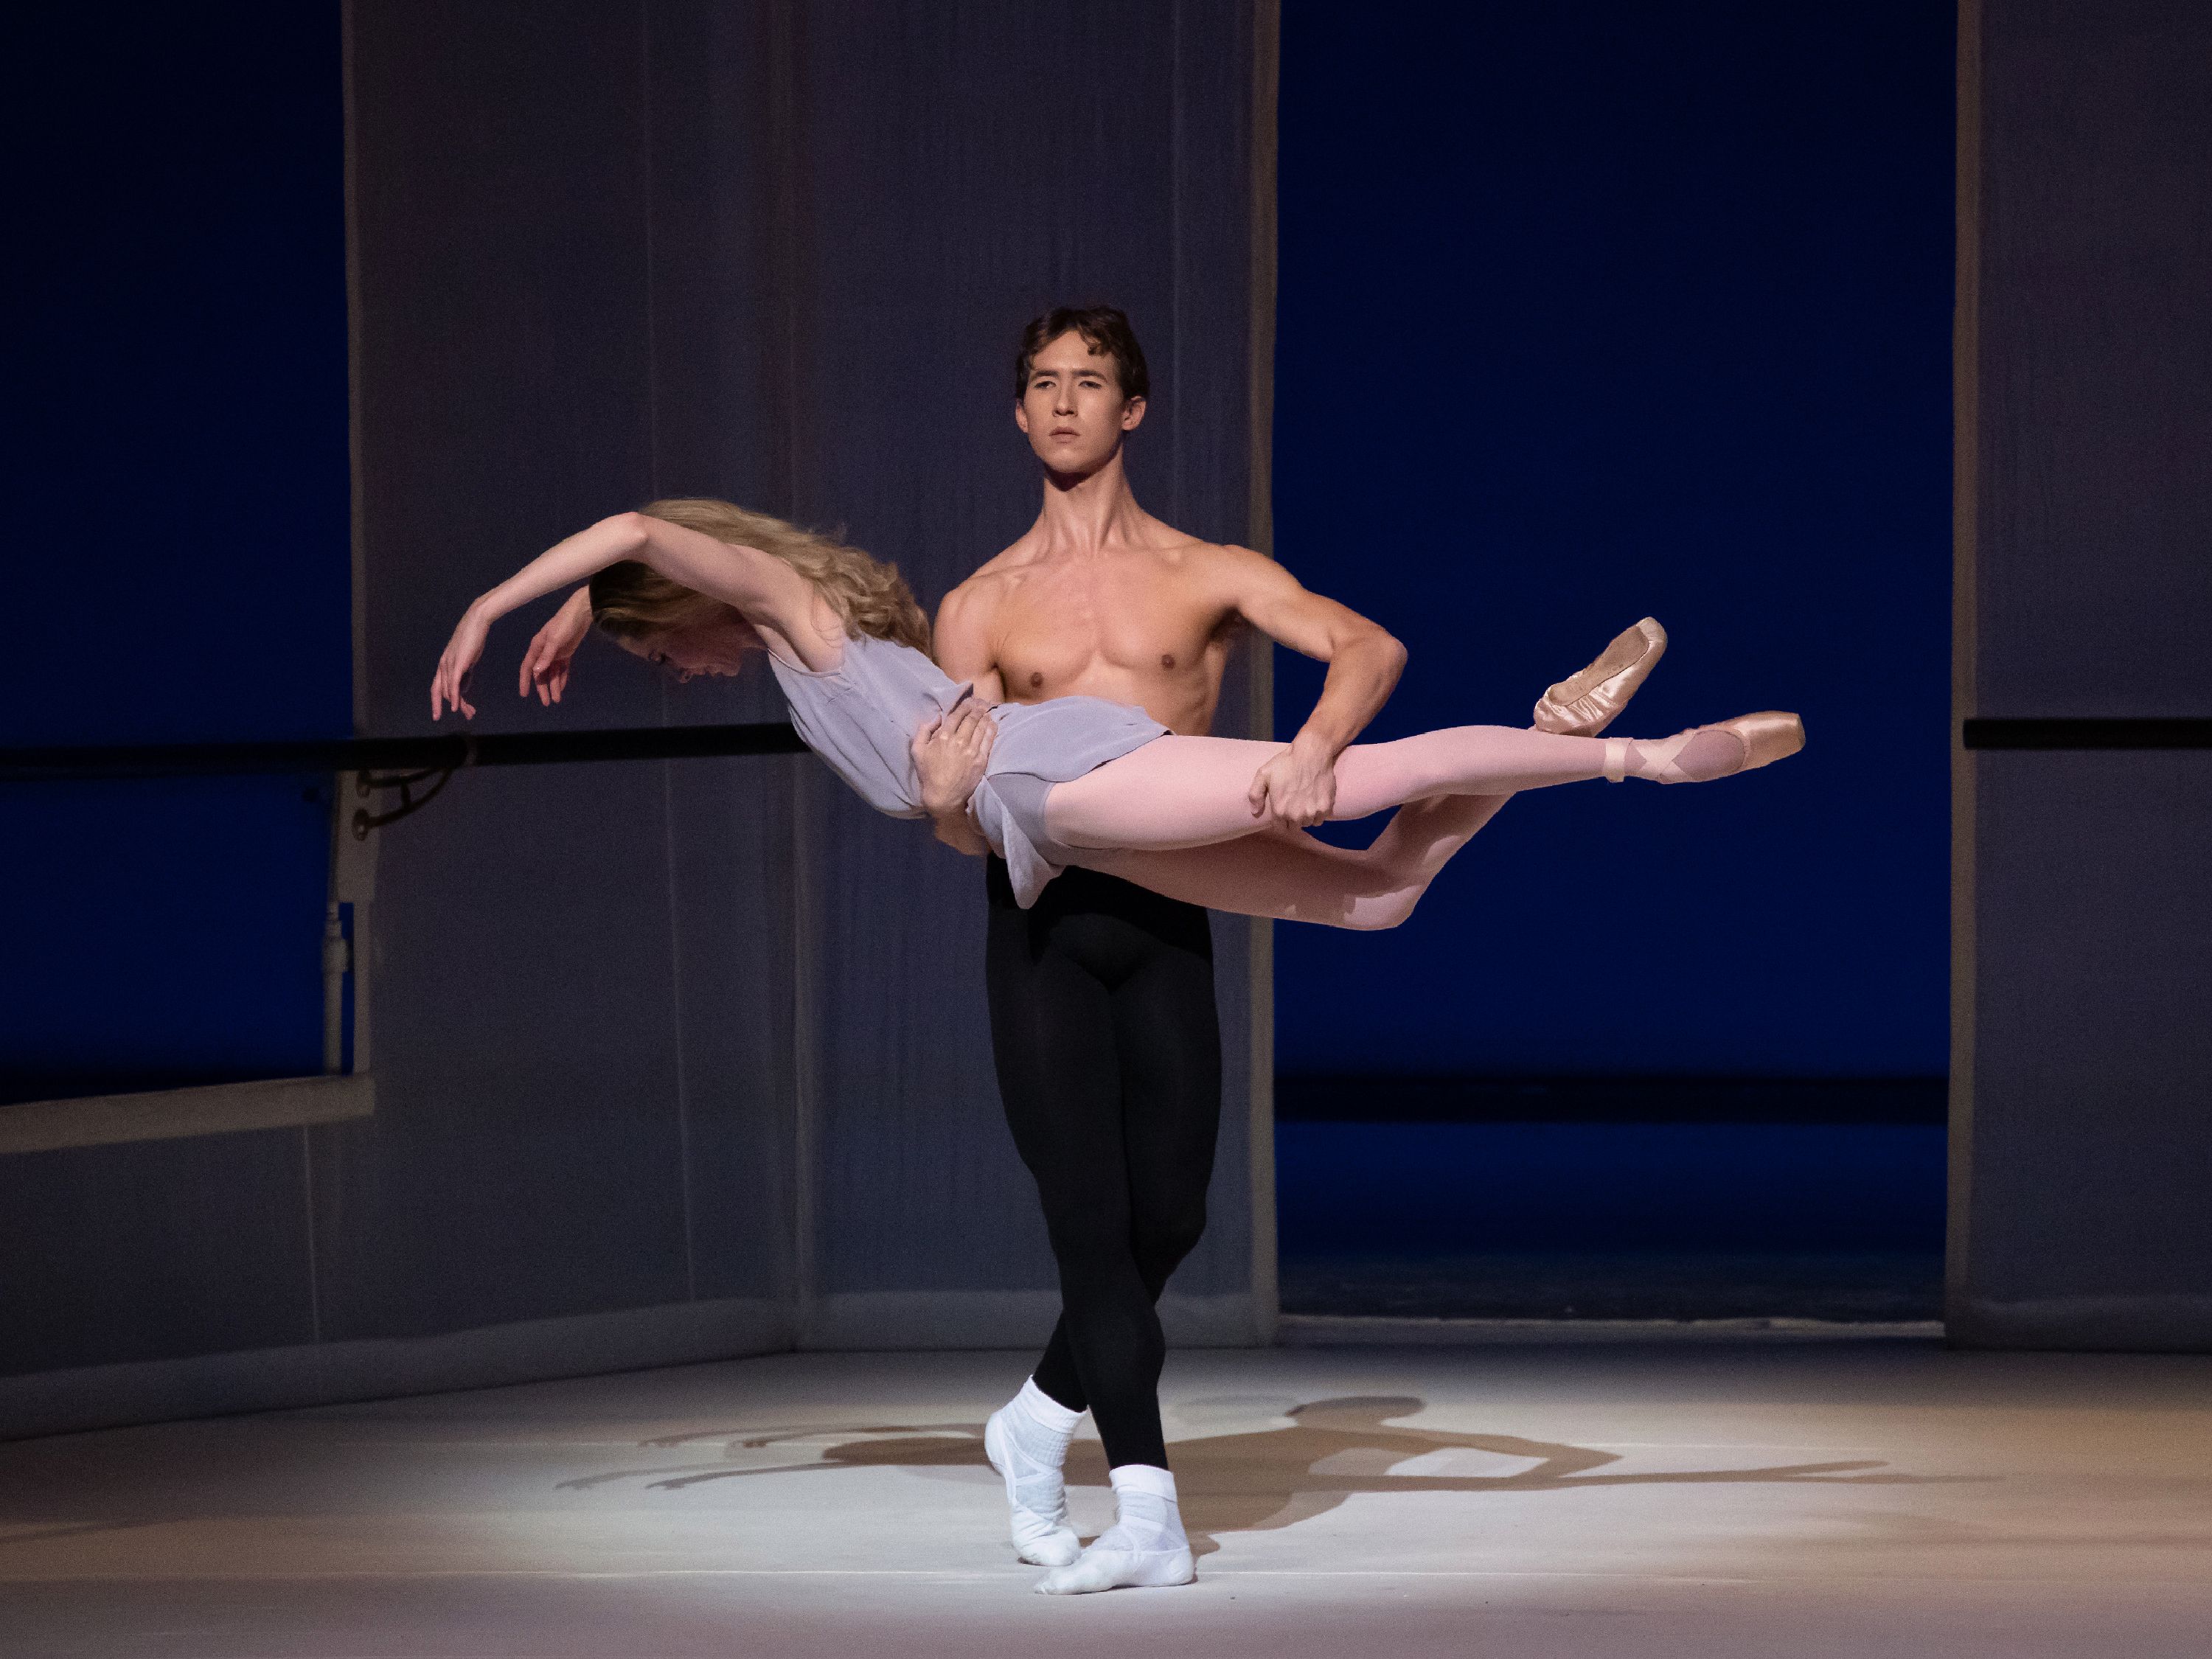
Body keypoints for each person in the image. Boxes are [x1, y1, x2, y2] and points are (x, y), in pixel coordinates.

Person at [428, 493, 1804, 1593]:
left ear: (689, 602)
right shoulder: (806, 670)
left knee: (1345, 777)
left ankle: (1642, 760)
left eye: (655, 644)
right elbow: (664, 563)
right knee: (1380, 892)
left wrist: (506, 606)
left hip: (1057, 770)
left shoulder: (804, 633)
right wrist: (586, 606)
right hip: (1040, 818)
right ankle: (1548, 735)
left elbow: (642, 529)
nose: (674, 665)